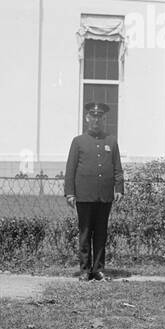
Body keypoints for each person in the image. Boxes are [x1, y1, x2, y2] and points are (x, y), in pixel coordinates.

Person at [64, 103, 124, 281]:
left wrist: (119, 188)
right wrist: (70, 192)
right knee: (85, 232)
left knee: (101, 233)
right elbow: (70, 169)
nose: (96, 120)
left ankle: (98, 269)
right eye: (93, 116)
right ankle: (84, 269)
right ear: (87, 118)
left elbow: (117, 168)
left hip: (104, 196)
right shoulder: (78, 141)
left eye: (100, 117)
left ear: (104, 119)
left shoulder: (111, 141)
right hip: (84, 195)